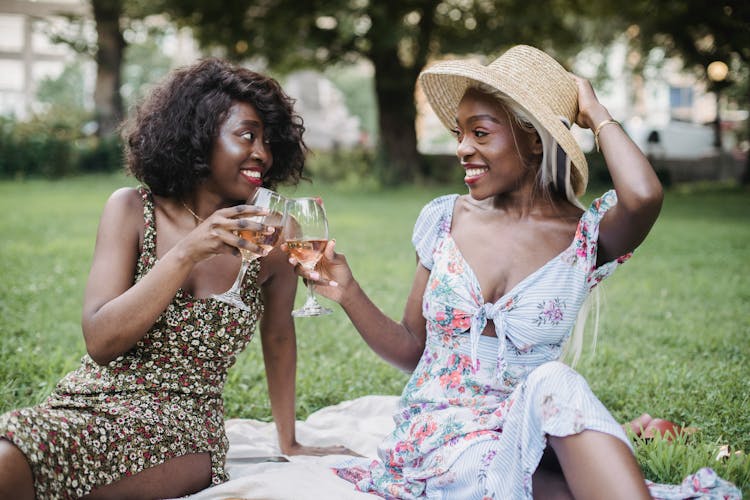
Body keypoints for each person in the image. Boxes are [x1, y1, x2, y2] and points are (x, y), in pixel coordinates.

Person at [287, 45, 740, 498]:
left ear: (535, 139)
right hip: (444, 438)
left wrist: (595, 113)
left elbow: (643, 197)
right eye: (458, 132)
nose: (462, 148)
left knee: (554, 380)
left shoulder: (582, 237)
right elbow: (413, 350)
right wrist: (348, 292)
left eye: (480, 133)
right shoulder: (445, 219)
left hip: (528, 425)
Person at [0, 58, 347, 499]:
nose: (262, 152)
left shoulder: (274, 238)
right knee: (9, 450)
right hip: (86, 403)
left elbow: (278, 337)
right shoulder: (130, 210)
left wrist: (289, 441)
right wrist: (188, 251)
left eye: (267, 140)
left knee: (11, 466)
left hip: (181, 428)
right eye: (247, 135)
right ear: (199, 137)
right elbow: (101, 343)